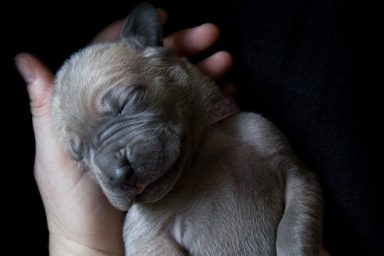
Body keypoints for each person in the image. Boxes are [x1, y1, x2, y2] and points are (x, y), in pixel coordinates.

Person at [15, 8, 333, 256]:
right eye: (83, 154)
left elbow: (300, 183)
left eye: (125, 105)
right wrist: (79, 244)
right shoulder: (150, 220)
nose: (115, 169)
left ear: (150, 44)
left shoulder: (251, 132)